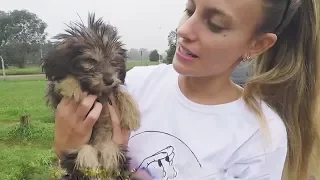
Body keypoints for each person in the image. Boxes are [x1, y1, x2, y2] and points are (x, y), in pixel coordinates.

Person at [53, 0, 319, 179]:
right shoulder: (136, 84)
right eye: (190, 9)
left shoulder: (260, 137)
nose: (184, 29)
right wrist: (66, 149)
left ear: (257, 45)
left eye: (215, 24)